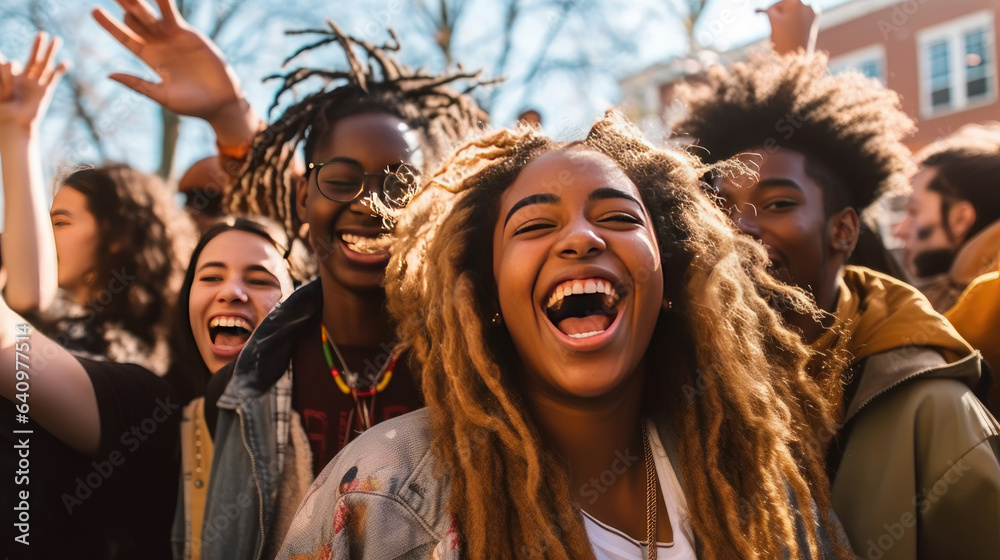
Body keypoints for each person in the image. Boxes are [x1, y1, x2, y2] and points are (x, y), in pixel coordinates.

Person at [277, 111, 852, 560]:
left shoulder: (760, 482)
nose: (580, 238)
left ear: (671, 277)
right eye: (535, 224)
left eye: (618, 217)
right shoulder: (381, 492)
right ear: (488, 295)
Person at [93, 1, 489, 556]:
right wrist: (230, 114)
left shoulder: (475, 361)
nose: (370, 203)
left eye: (399, 186)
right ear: (303, 197)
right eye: (341, 179)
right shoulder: (244, 383)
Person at [674, 50, 1000, 559]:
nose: (741, 228)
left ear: (843, 230)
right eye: (721, 207)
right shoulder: (676, 391)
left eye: (779, 203)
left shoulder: (931, 409)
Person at [0, 217, 292, 559]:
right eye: (211, 277)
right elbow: (10, 346)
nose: (231, 292)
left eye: (259, 280)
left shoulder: (335, 411)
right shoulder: (152, 411)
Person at [0, 33, 194, 375]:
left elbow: (29, 297)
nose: (42, 239)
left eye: (60, 223)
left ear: (119, 234)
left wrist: (17, 134)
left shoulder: (135, 364)